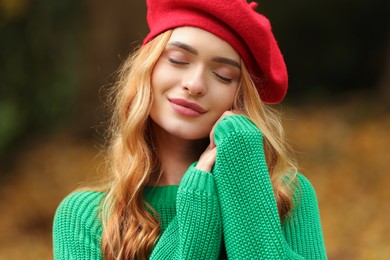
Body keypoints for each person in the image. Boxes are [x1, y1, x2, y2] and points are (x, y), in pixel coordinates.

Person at [52, 0, 327, 259]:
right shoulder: (85, 216)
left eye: (223, 75)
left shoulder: (287, 195)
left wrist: (244, 177)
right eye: (178, 60)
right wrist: (196, 206)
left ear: (240, 97)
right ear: (146, 69)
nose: (195, 84)